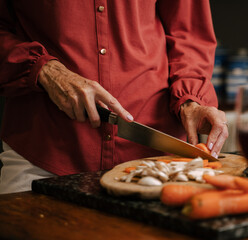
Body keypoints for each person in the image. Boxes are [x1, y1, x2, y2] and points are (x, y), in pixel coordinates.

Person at [0, 0, 228, 194]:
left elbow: (189, 33)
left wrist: (191, 99)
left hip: (159, 167)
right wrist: (45, 71)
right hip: (43, 154)